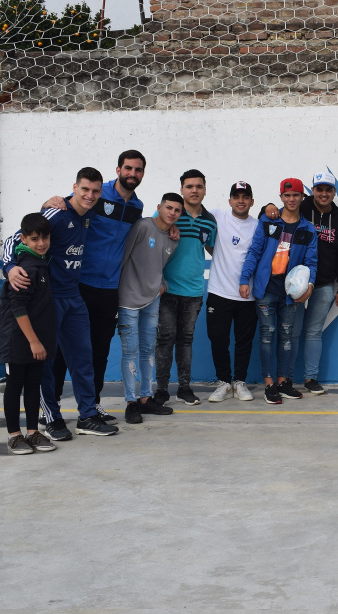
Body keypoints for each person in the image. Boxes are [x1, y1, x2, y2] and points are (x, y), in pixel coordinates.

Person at [3, 167, 118, 438]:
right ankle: (52, 418)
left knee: (83, 359)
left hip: (73, 296)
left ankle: (87, 416)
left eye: (95, 191)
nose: (90, 195)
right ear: (74, 188)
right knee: (46, 362)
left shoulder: (88, 215)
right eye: (85, 189)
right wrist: (9, 267)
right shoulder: (57, 212)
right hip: (48, 299)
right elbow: (14, 239)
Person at [39, 150, 151, 426]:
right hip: (79, 284)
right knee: (64, 351)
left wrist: (170, 230)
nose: (132, 174)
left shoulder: (138, 207)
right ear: (118, 169)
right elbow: (66, 208)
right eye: (128, 168)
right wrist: (49, 201)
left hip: (110, 288)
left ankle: (93, 406)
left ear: (142, 174)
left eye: (137, 170)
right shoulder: (98, 195)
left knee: (98, 351)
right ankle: (48, 408)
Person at [239, 178, 318, 405]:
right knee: (267, 336)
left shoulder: (308, 228)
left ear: (303, 198)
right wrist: (245, 279)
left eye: (296, 195)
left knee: (286, 338)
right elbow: (254, 252)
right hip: (266, 290)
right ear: (281, 197)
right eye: (287, 195)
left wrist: (310, 286)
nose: (292, 199)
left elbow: (312, 262)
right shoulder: (268, 221)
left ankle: (283, 382)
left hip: (290, 294)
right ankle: (269, 384)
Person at [0, 213, 58, 455]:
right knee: (15, 385)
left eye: (45, 238)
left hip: (36, 341)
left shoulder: (40, 262)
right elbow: (18, 308)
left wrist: (39, 341)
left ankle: (32, 432)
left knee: (33, 385)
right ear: (23, 239)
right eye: (34, 239)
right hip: (18, 340)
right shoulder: (24, 269)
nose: (41, 243)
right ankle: (14, 435)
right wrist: (33, 341)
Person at [117, 194, 183, 424]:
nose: (172, 212)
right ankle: (131, 402)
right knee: (130, 352)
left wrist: (162, 285)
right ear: (159, 207)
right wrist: (115, 291)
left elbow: (158, 267)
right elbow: (123, 257)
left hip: (152, 300)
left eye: (177, 210)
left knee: (148, 350)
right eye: (168, 207)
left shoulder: (174, 238)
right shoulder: (142, 226)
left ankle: (145, 398)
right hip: (127, 300)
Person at [154, 169, 217, 407]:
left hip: (193, 291)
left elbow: (213, 250)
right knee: (165, 339)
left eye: (198, 186)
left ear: (204, 190)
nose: (194, 190)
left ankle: (184, 388)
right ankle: (161, 390)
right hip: (166, 289)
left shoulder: (209, 221)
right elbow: (152, 242)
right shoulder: (170, 213)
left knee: (186, 340)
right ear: (182, 189)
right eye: (189, 186)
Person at [292, 172, 338, 395]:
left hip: (324, 285)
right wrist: (267, 206)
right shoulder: (300, 210)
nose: (324, 194)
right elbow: (275, 215)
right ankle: (286, 379)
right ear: (313, 191)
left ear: (334, 192)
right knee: (293, 332)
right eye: (319, 189)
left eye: (328, 190)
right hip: (296, 284)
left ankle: (310, 379)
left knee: (313, 332)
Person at [206, 182, 260, 403]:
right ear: (229, 201)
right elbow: (189, 211)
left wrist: (268, 209)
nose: (240, 200)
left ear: (251, 202)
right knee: (218, 339)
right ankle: (223, 382)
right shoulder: (217, 216)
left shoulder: (258, 225)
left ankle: (239, 381)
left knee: (244, 341)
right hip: (219, 292)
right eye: (236, 196)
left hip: (248, 295)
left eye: (245, 196)